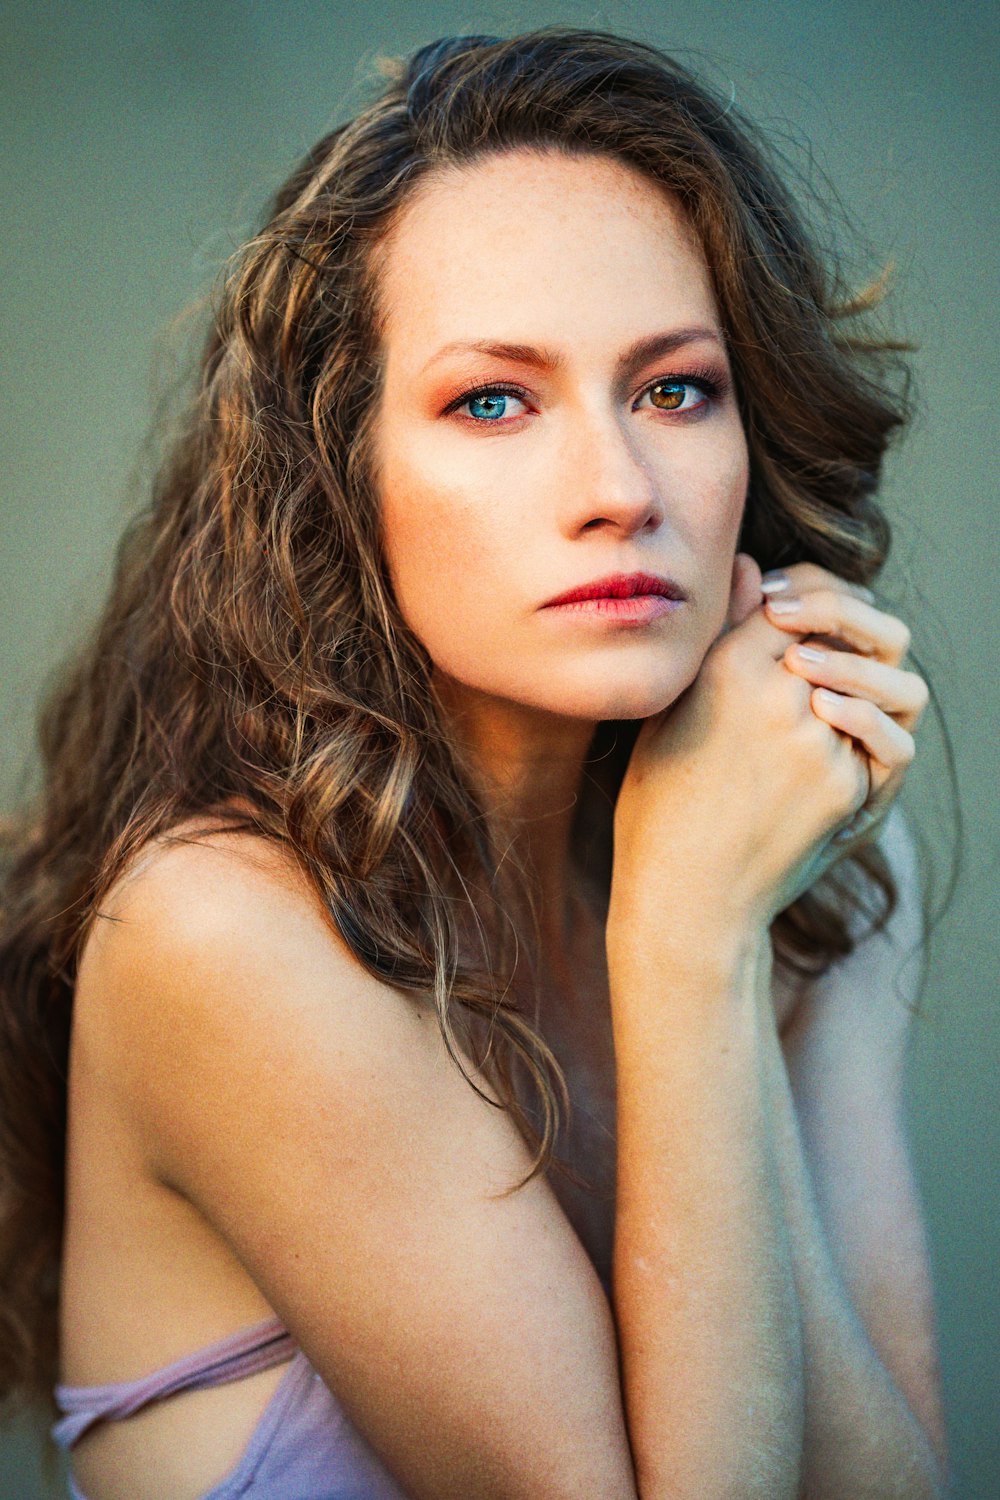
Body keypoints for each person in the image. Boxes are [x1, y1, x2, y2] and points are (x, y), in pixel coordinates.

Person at [0, 26, 950, 1500]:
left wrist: (712, 895)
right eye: (492, 401)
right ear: (341, 470)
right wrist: (686, 932)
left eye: (676, 389)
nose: (617, 492)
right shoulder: (220, 929)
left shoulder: (815, 854)